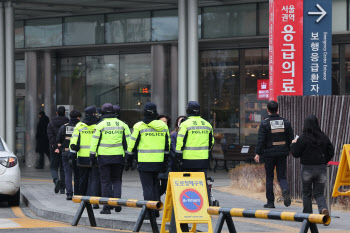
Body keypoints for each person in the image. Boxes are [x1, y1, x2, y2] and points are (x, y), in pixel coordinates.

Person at [127, 102, 170, 218]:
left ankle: (148, 212)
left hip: (144, 161)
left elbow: (132, 144)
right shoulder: (163, 126)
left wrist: (128, 158)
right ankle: (155, 211)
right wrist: (165, 161)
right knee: (155, 186)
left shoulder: (139, 126)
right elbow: (167, 145)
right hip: (159, 161)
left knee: (147, 187)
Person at [90, 103, 131, 214]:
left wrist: (92, 155)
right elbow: (129, 141)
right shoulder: (122, 124)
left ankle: (107, 207)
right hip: (118, 156)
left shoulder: (100, 125)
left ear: (103, 112)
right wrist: (128, 155)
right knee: (117, 180)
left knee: (105, 181)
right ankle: (117, 204)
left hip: (104, 157)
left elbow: (94, 142)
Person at [291, 115, 334, 216]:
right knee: (319, 193)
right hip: (321, 168)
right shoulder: (324, 137)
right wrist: (324, 161)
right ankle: (323, 209)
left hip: (307, 168)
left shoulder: (302, 138)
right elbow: (331, 151)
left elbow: (295, 154)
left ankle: (307, 216)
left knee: (307, 193)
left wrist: (293, 144)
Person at [254, 100, 293, 208]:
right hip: (282, 154)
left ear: (268, 110)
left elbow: (261, 140)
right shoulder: (286, 122)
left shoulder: (265, 123)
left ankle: (270, 202)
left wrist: (258, 153)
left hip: (269, 154)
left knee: (269, 177)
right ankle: (285, 189)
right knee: (281, 176)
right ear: (277, 109)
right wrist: (289, 149)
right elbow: (291, 138)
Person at [70, 106, 100, 209]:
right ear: (94, 114)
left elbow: (73, 141)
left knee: (83, 179)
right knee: (95, 179)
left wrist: (72, 153)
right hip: (95, 156)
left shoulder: (80, 125)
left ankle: (83, 200)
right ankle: (95, 201)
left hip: (82, 157)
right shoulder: (98, 125)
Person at [175, 101, 214, 177]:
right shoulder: (207, 124)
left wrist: (178, 156)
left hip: (188, 160)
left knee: (189, 184)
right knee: (201, 183)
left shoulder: (185, 124)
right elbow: (211, 142)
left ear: (188, 110)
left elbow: (180, 141)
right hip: (203, 160)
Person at [56, 110, 82, 200]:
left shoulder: (64, 127)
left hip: (66, 152)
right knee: (77, 174)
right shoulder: (81, 127)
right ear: (78, 118)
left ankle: (69, 193)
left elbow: (58, 140)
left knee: (68, 173)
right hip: (78, 153)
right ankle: (77, 193)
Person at [47, 106, 69, 194]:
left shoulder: (51, 123)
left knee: (53, 167)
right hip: (65, 148)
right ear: (65, 113)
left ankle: (56, 181)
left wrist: (55, 147)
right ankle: (63, 188)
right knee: (63, 168)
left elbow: (50, 136)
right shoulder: (68, 123)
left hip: (54, 148)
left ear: (56, 113)